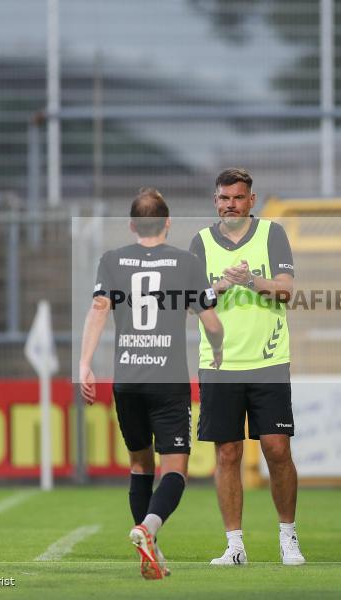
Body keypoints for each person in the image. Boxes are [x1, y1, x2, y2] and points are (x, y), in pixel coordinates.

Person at [78, 187, 224, 580]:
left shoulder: (110, 260)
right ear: (168, 222)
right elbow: (210, 323)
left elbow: (98, 309)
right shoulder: (187, 263)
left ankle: (152, 553)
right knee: (175, 468)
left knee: (140, 464)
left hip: (126, 380)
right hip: (168, 380)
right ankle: (148, 529)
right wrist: (218, 348)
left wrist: (85, 365)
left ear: (131, 225)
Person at [188, 167, 304, 566]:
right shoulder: (201, 242)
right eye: (223, 198)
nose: (230, 205)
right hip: (220, 364)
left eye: (237, 198)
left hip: (269, 360)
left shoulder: (272, 234)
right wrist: (220, 285)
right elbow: (191, 300)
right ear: (215, 200)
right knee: (227, 454)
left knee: (277, 448)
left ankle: (288, 537)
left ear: (251, 200)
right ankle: (234, 545)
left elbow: (287, 291)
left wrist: (252, 281)